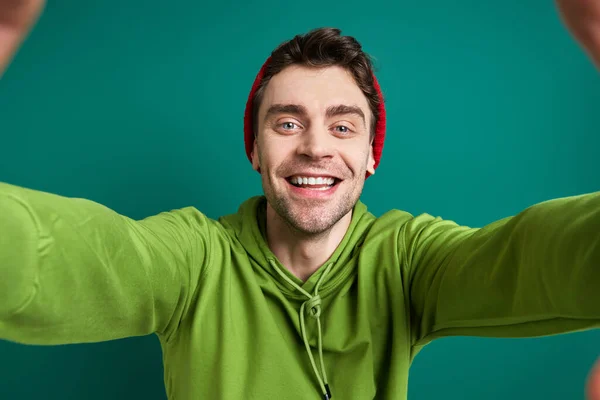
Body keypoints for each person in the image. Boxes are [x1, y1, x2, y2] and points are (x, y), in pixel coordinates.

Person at [1, 1, 599, 399]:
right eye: (288, 123)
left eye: (343, 127)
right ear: (255, 150)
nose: (315, 147)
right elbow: (60, 255)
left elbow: (539, 259)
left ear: (370, 154)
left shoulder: (407, 259)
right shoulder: (193, 258)